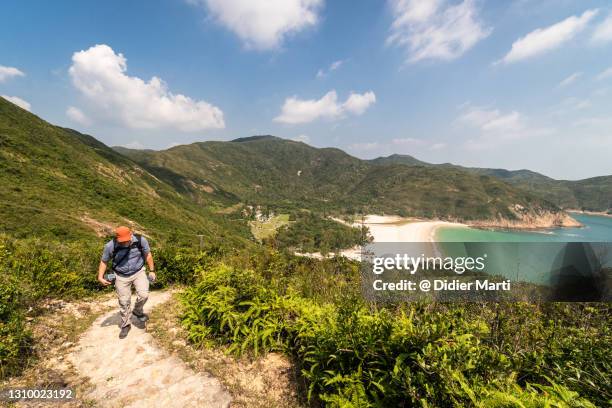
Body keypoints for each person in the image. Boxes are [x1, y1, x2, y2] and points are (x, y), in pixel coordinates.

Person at [98, 226, 156, 339]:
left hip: (139, 271)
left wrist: (152, 270)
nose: (124, 243)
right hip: (120, 275)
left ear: (131, 234)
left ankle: (137, 311)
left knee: (144, 295)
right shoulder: (110, 246)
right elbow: (104, 261)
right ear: (117, 238)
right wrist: (100, 277)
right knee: (124, 301)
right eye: (122, 241)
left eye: (126, 240)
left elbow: (148, 254)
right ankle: (125, 324)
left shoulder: (140, 240)